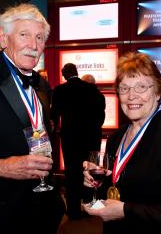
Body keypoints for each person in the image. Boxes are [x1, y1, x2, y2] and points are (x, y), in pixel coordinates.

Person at [0, 3, 65, 234]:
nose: (33, 45)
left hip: (41, 214)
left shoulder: (43, 86)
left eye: (39, 37)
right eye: (24, 34)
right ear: (3, 38)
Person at [83, 52, 161, 233]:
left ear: (157, 92)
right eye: (124, 88)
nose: (131, 96)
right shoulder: (116, 138)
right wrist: (96, 184)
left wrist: (126, 211)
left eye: (141, 86)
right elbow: (115, 193)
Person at [50, 63, 106, 219]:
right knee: (90, 172)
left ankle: (73, 211)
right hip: (91, 139)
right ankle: (90, 206)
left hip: (70, 140)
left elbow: (54, 115)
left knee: (72, 173)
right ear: (76, 72)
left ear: (64, 75)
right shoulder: (92, 89)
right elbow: (101, 114)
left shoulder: (60, 90)